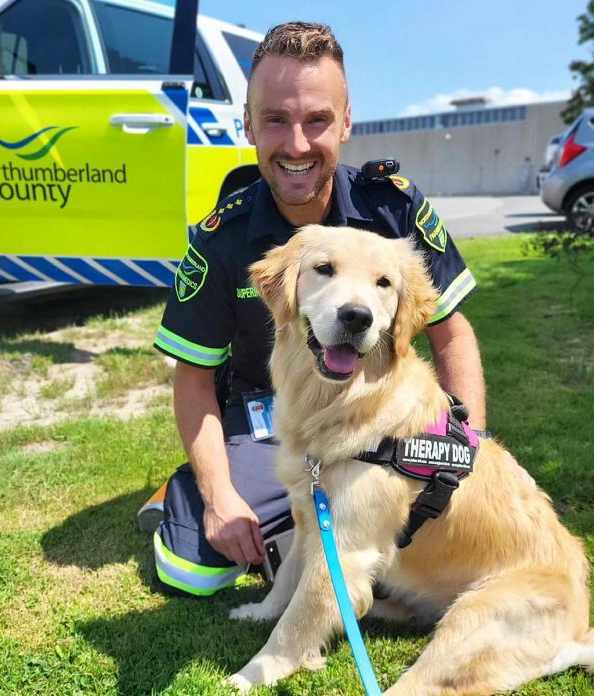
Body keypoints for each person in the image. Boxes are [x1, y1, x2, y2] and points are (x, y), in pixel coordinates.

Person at [151, 22, 484, 597]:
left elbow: (450, 334)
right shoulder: (221, 237)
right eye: (276, 120)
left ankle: (305, 529)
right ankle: (197, 491)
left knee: (415, 532)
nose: (298, 145)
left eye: (317, 120)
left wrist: (463, 451)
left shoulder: (393, 209)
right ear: (249, 125)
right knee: (193, 567)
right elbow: (193, 377)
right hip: (272, 421)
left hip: (382, 413)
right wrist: (218, 494)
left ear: (346, 122)